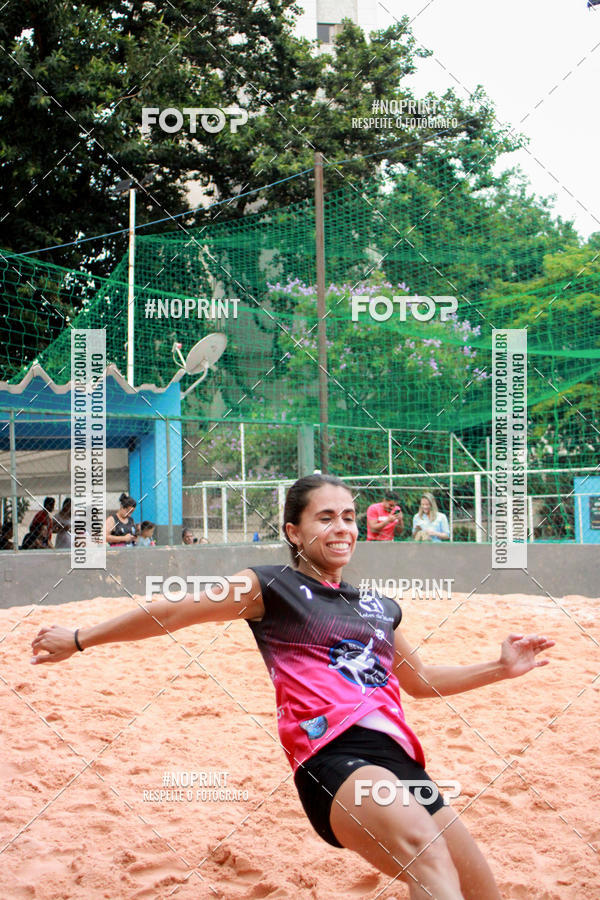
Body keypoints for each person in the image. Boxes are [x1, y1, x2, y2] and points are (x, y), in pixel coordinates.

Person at [30, 474, 554, 899]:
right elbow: (174, 609)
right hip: (332, 757)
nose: (342, 526)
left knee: (477, 886)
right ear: (294, 531)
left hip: (398, 761)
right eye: (325, 517)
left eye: (349, 516)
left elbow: (421, 682)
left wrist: (499, 667)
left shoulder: (377, 607)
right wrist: (79, 637)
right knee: (426, 851)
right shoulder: (271, 587)